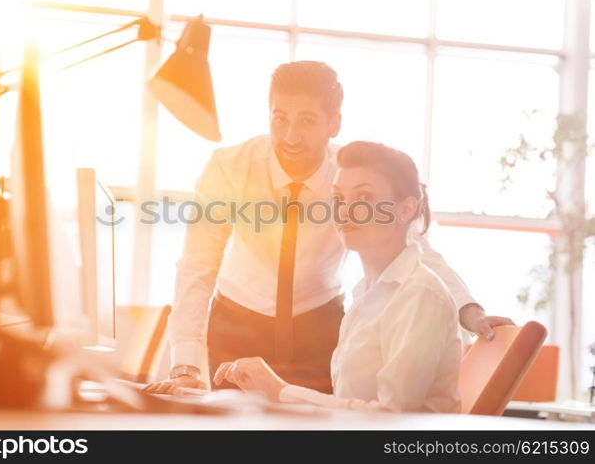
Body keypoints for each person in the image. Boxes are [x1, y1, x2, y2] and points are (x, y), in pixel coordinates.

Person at [144, 61, 512, 395]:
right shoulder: (228, 168)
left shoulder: (351, 176)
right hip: (237, 323)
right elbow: (197, 264)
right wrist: (186, 364)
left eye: (306, 120)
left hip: (320, 329)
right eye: (280, 119)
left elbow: (414, 246)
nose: (290, 137)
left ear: (333, 123)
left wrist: (467, 310)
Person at [214, 141, 462, 413]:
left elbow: (391, 418)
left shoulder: (419, 295)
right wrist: (270, 393)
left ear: (405, 209)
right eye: (338, 198)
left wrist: (280, 391)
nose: (344, 210)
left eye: (364, 198)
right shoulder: (366, 294)